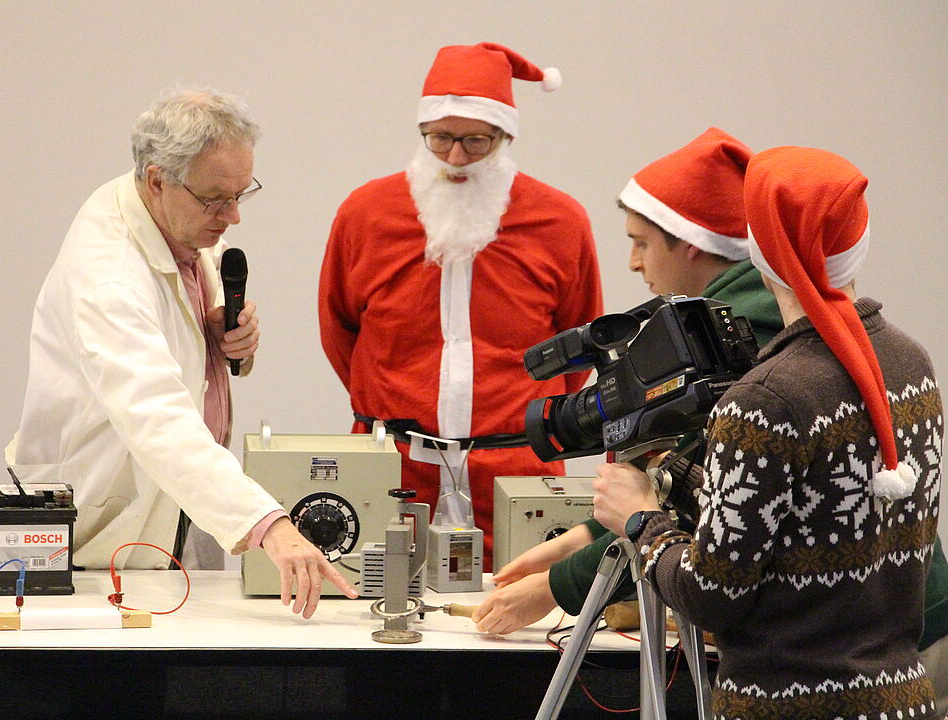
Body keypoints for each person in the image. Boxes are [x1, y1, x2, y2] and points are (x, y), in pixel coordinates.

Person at [591, 146, 941, 718]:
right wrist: (676, 477)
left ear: (762, 251)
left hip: (787, 705)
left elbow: (714, 594)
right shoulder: (911, 365)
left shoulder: (763, 399)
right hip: (901, 697)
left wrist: (642, 521)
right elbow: (807, 514)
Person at [6, 88, 357, 618]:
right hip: (100, 535)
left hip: (168, 511)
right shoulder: (110, 278)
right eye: (217, 199)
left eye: (243, 193)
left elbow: (177, 357)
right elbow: (158, 418)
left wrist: (220, 344)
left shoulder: (171, 217)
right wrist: (271, 524)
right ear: (156, 179)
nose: (233, 216)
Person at [473, 127, 783, 632]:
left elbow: (697, 500)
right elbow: (683, 476)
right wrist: (583, 536)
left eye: (641, 243)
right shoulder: (727, 317)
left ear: (690, 245)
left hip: (868, 647)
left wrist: (557, 587)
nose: (633, 262)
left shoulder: (746, 333)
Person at [319, 43, 603, 569]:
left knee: (519, 626)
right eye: (440, 138)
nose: (454, 158)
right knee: (378, 616)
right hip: (394, 469)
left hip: (516, 474)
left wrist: (514, 424)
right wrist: (394, 403)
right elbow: (340, 332)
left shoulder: (560, 222)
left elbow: (578, 345)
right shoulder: (366, 215)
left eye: (476, 141)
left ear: (506, 136)